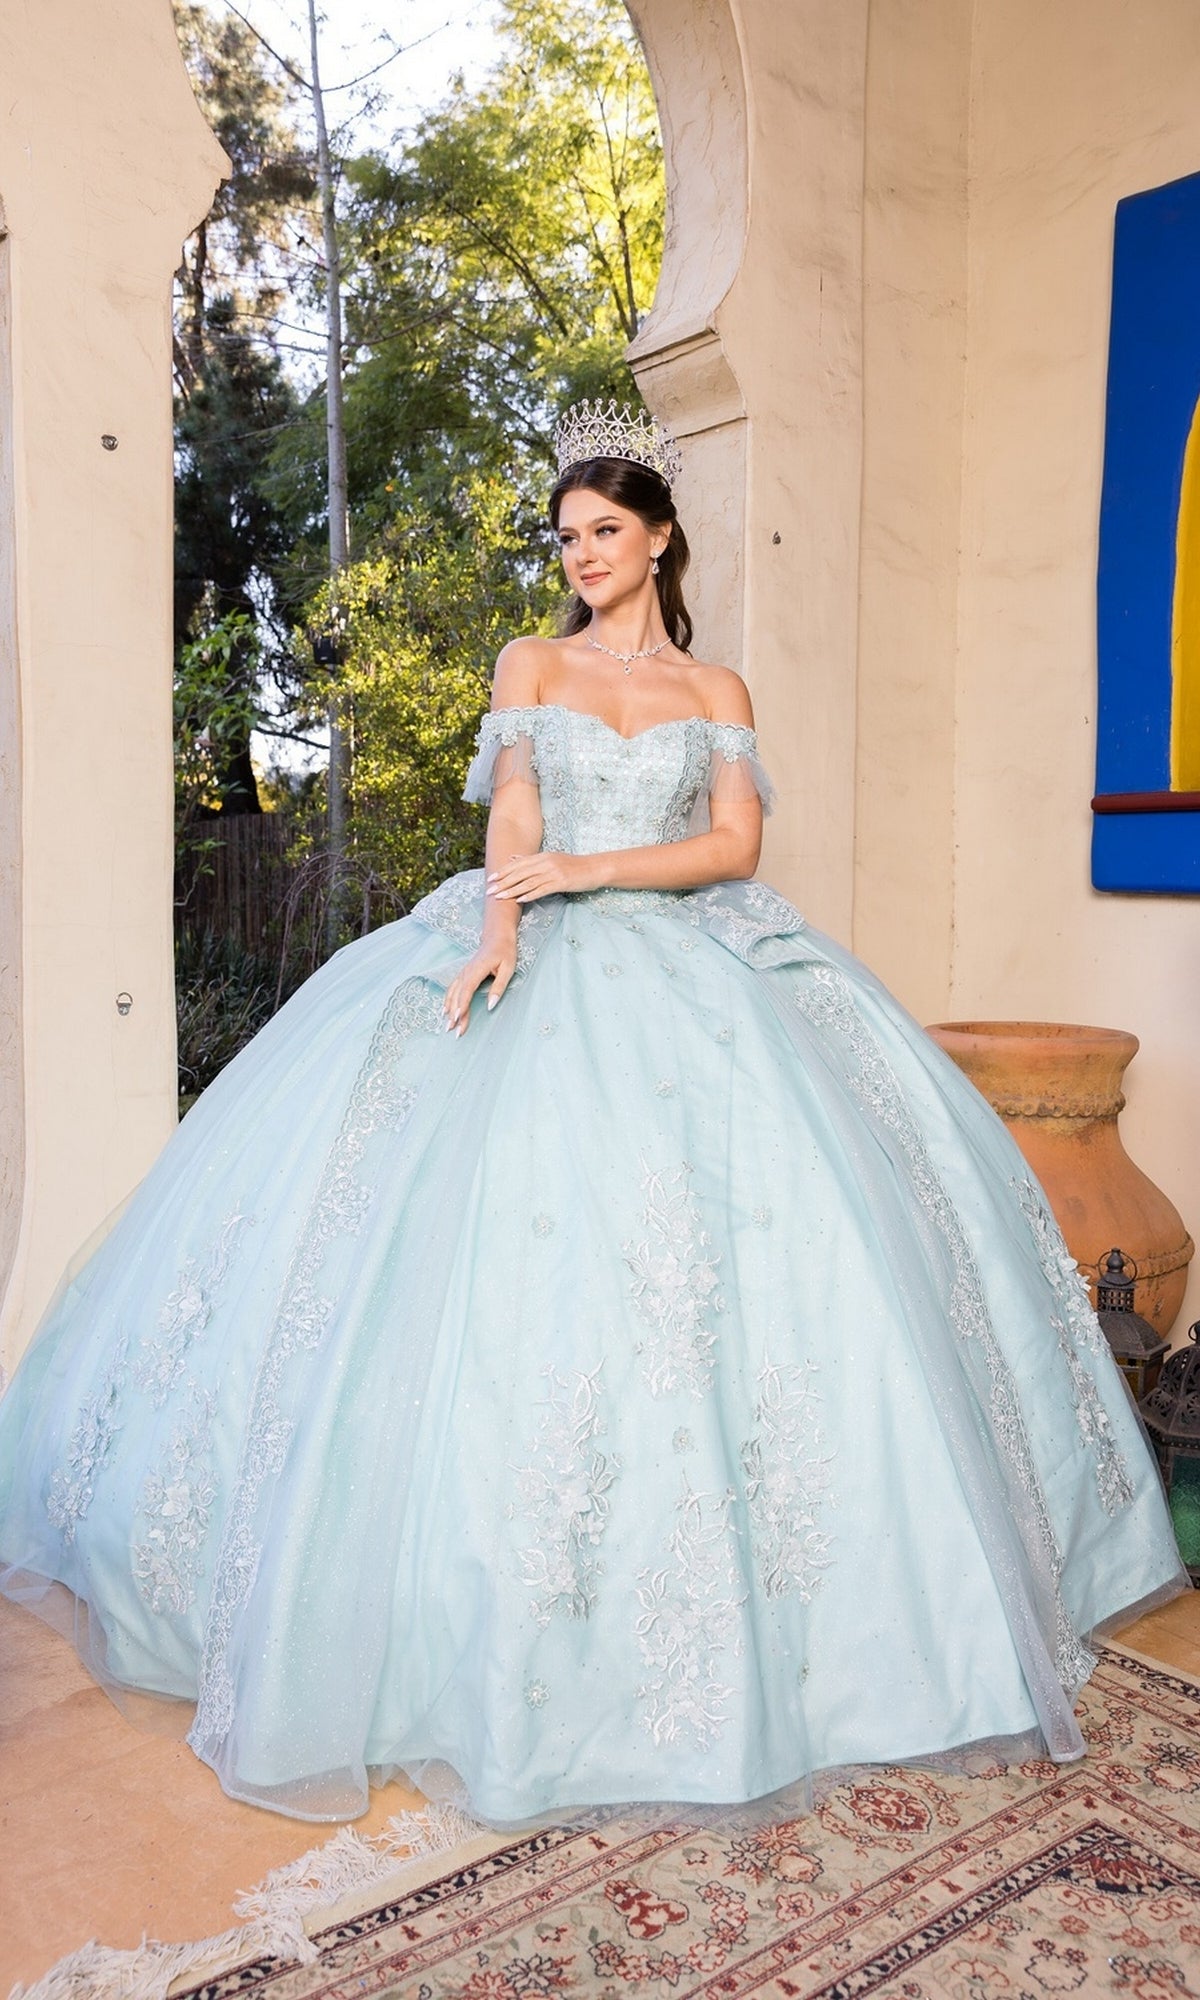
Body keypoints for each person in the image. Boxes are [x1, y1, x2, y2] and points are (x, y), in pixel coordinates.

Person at [0, 401, 1186, 1827]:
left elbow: (737, 845)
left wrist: (593, 877)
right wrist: (507, 916)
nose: (583, 557)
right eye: (566, 536)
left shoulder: (719, 692)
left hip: (699, 958)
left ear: (660, 535)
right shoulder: (532, 661)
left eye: (606, 532)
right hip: (529, 941)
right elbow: (514, 808)